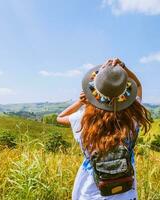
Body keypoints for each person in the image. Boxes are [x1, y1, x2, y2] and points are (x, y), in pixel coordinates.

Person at [57, 58, 151, 200]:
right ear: (125, 93)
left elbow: (60, 117)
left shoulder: (84, 119)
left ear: (94, 93)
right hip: (125, 192)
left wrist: (80, 102)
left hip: (90, 192)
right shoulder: (132, 119)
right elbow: (137, 85)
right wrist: (123, 69)